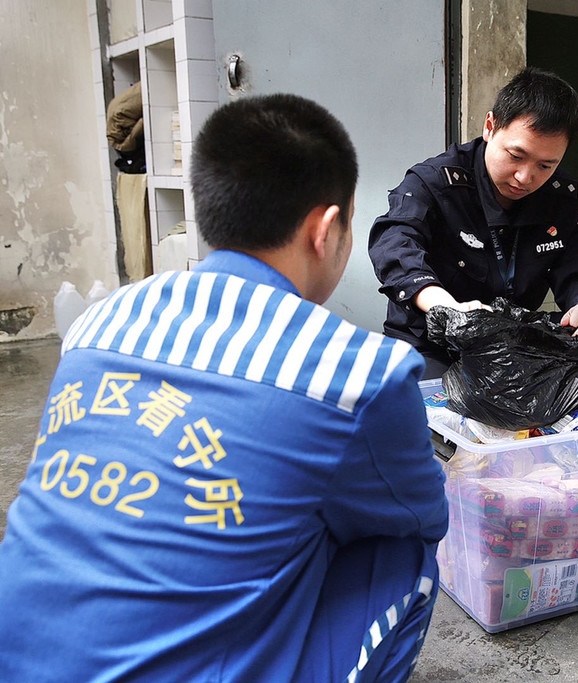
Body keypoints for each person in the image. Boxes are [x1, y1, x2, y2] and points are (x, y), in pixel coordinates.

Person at [0, 94, 448, 682]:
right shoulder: (358, 373)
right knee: (403, 550)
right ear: (325, 229)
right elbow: (421, 515)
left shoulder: (96, 324)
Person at [368, 67, 578, 379]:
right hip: (429, 345)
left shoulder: (561, 197)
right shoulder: (434, 183)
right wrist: (445, 306)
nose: (525, 177)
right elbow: (395, 243)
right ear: (490, 126)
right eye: (516, 156)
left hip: (510, 344)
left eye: (545, 165)